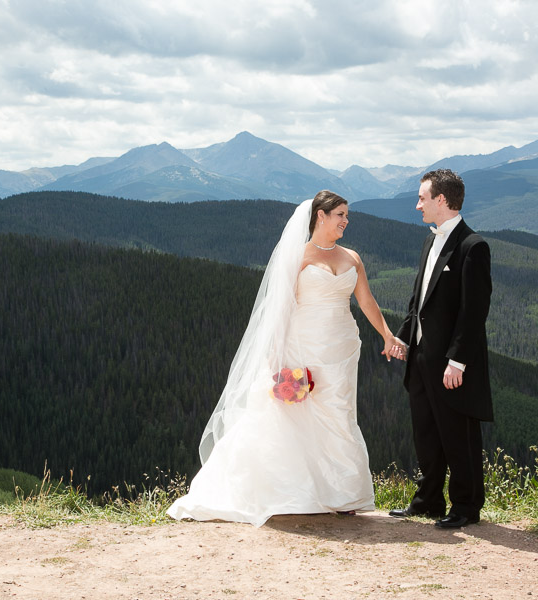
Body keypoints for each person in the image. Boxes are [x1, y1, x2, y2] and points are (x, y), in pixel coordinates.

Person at [167, 190, 398, 527]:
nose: (346, 221)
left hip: (343, 346)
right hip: (303, 346)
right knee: (297, 417)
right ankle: (298, 490)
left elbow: (365, 302)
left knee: (340, 413)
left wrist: (387, 334)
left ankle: (343, 493)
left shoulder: (353, 257)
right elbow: (280, 310)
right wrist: (275, 360)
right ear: (321, 216)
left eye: (347, 216)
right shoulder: (299, 256)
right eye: (340, 215)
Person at [388, 169, 493, 529]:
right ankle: (428, 501)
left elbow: (474, 311)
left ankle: (466, 507)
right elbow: (419, 299)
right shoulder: (429, 241)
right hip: (420, 359)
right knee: (427, 433)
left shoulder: (472, 246)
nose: (417, 205)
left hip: (451, 364)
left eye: (422, 198)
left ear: (442, 201)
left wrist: (458, 361)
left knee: (458, 435)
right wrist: (404, 337)